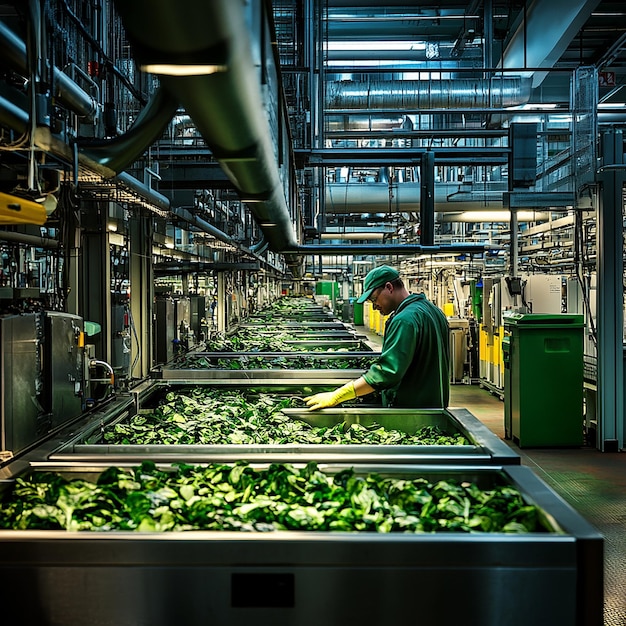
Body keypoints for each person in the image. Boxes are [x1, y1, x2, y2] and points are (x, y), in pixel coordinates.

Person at [304, 265, 450, 410]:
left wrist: (340, 394)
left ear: (389, 287)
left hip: (412, 408)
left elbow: (387, 372)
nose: (374, 307)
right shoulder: (433, 311)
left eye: (374, 299)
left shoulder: (405, 320)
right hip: (434, 404)